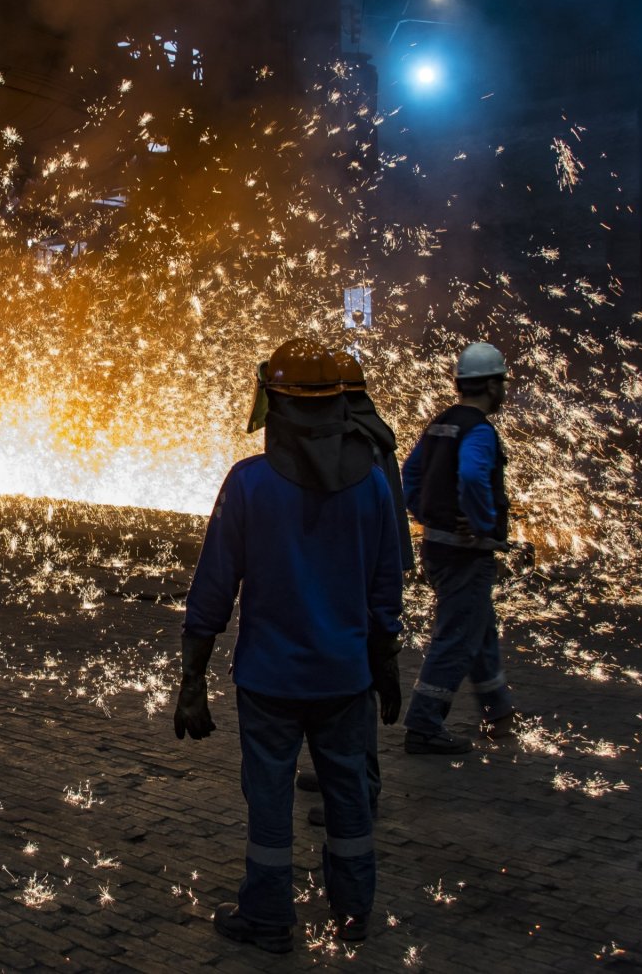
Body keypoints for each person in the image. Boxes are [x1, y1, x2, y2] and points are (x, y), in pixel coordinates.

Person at [173, 337, 404, 953]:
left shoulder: (249, 484)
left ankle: (270, 918)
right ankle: (353, 914)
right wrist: (386, 666)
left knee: (270, 805)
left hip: (270, 683)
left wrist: (191, 681)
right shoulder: (374, 487)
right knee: (350, 796)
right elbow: (387, 588)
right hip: (346, 678)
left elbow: (212, 592)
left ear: (273, 402)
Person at [298, 348, 412, 823]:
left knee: (356, 690)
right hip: (355, 579)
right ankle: (333, 773)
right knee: (335, 686)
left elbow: (365, 525)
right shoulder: (365, 435)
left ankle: (361, 788)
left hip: (359, 584)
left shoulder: (358, 447)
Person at [398, 341, 518, 754]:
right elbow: (470, 476)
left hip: (437, 547)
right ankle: (425, 724)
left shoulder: (440, 423)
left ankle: (498, 712)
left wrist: (427, 514)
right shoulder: (479, 430)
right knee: (456, 638)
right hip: (466, 554)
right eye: (501, 382)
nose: (504, 390)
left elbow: (409, 474)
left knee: (478, 629)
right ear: (489, 385)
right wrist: (482, 523)